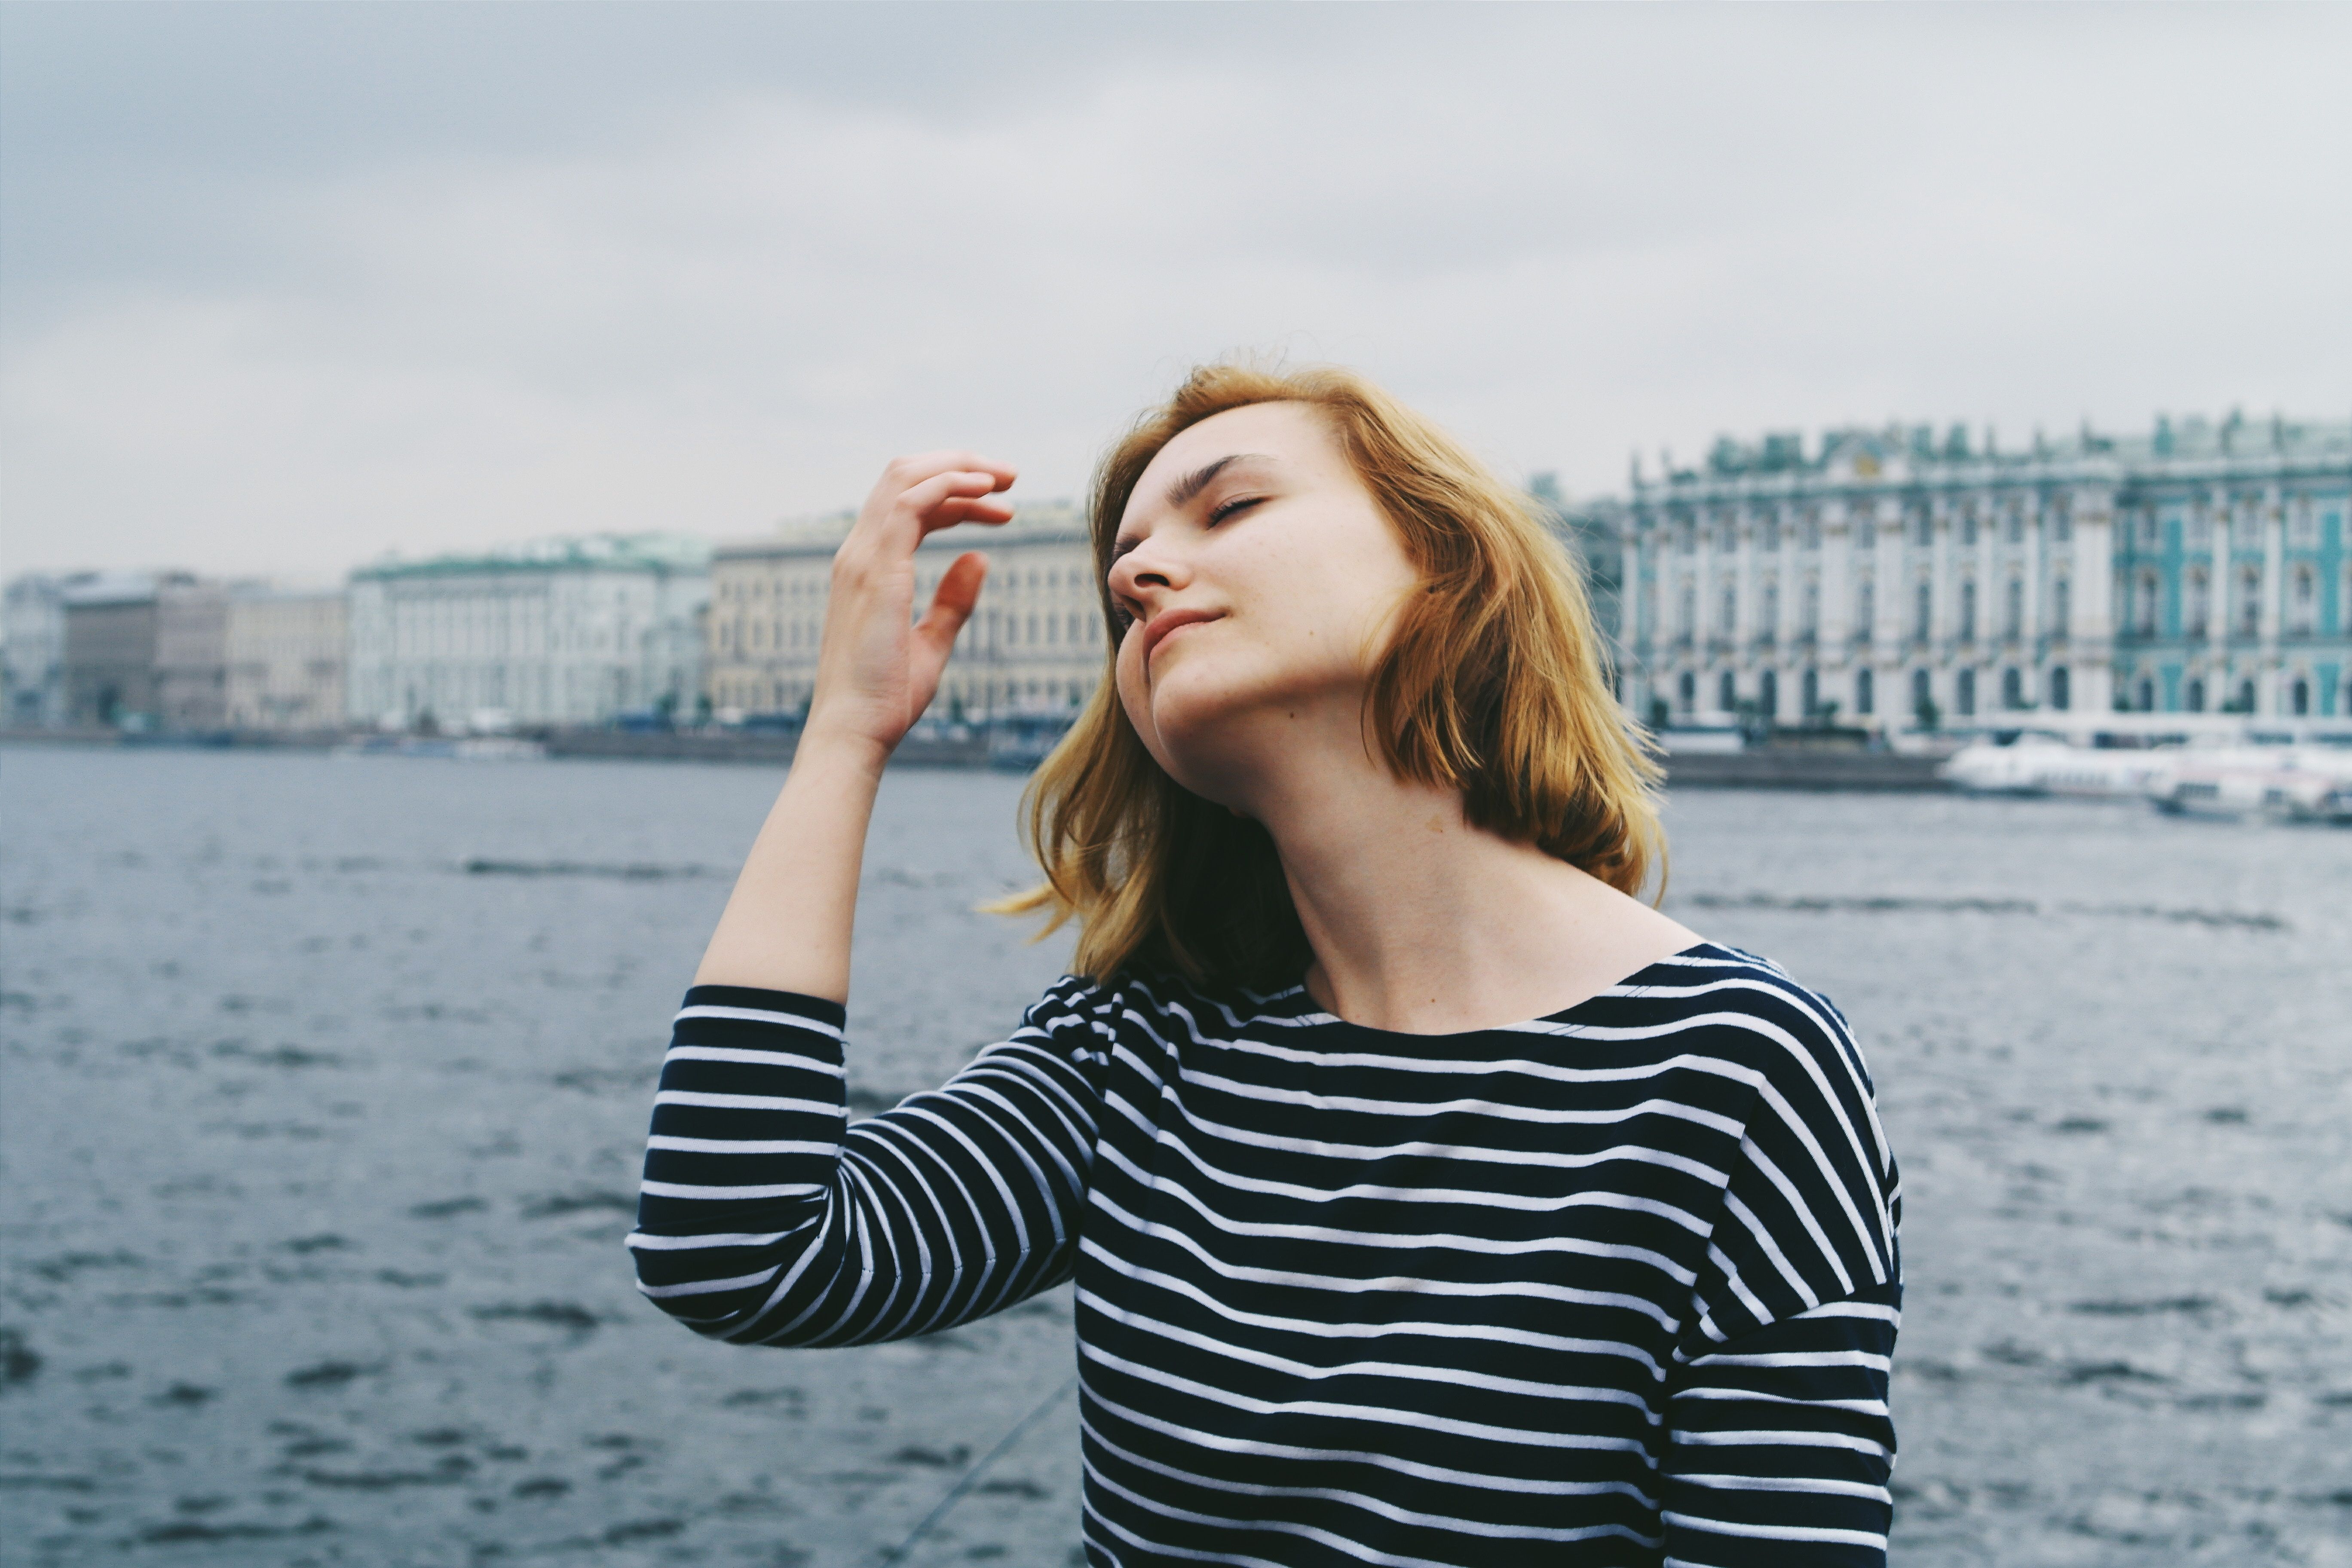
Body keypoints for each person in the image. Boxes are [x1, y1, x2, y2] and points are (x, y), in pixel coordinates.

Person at [631, 364, 1901, 1566]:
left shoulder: (1737, 1071)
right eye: (1123, 567)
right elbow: (741, 1250)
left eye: (1229, 506)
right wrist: (846, 737)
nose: (1139, 577)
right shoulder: (1136, 1049)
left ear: (1443, 565)